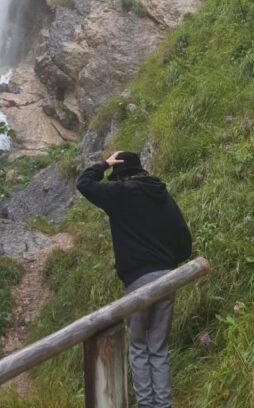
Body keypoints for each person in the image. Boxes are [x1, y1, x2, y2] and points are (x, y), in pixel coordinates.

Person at [76, 150, 192, 408]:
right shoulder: (162, 194)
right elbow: (183, 238)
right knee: (158, 348)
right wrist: (172, 261)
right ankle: (163, 405)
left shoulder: (120, 193)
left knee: (139, 345)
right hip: (167, 277)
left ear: (120, 175)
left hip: (138, 280)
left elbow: (84, 183)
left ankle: (146, 405)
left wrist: (103, 164)